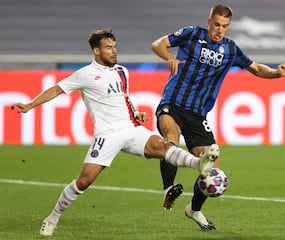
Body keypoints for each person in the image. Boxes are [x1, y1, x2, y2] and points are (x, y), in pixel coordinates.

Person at [11, 28, 219, 236]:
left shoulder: (121, 71)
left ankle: (198, 162)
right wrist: (30, 105)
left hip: (130, 128)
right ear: (96, 51)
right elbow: (56, 89)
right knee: (84, 181)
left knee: (162, 146)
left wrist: (136, 112)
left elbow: (124, 97)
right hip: (107, 135)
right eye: (108, 48)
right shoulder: (85, 74)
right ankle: (52, 218)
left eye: (115, 47)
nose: (113, 51)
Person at [151, 4, 285, 230]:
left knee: (211, 167)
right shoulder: (192, 33)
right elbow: (158, 44)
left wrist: (278, 73)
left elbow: (256, 68)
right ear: (209, 22)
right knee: (171, 136)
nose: (220, 30)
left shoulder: (230, 50)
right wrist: (169, 56)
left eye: (225, 26)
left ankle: (194, 209)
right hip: (173, 103)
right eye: (217, 24)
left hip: (198, 114)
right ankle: (168, 189)